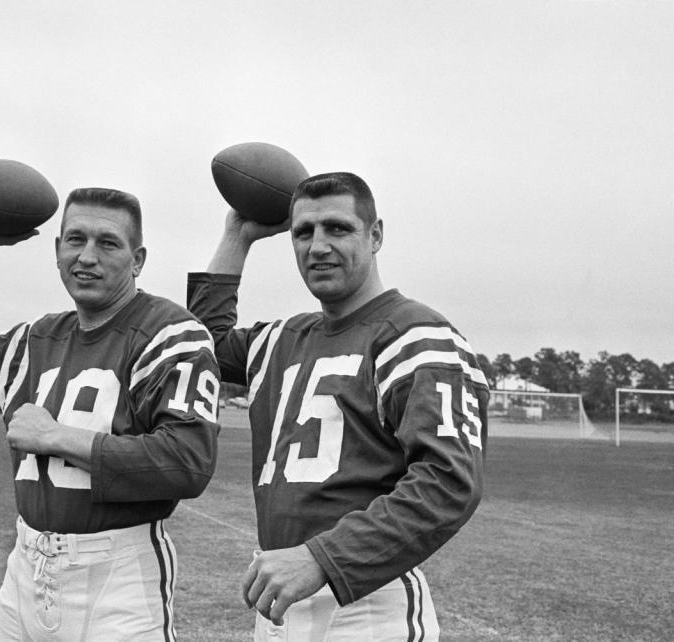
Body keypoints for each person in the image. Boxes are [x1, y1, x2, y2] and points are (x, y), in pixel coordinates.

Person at [187, 172, 486, 640]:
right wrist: (237, 237)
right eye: (303, 232)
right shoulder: (281, 338)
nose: (318, 245)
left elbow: (448, 481)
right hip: (278, 592)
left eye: (337, 228)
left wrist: (322, 557)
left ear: (376, 235)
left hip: (364, 603)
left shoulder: (416, 334)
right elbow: (197, 347)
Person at [0, 187, 221, 641]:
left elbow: (187, 462)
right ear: (57, 250)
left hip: (117, 577)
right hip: (26, 568)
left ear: (137, 259)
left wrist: (56, 437)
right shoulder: (36, 337)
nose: (86, 256)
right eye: (74, 240)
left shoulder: (170, 332)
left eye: (107, 242)